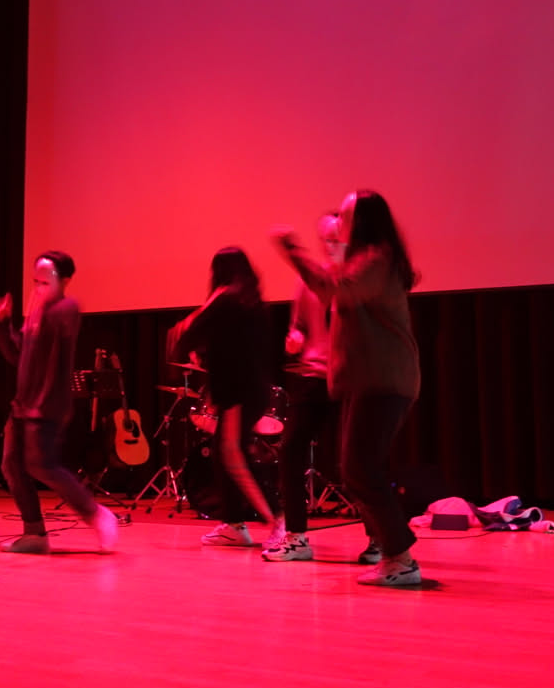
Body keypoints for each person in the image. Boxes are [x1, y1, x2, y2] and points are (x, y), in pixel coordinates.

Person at [272, 190, 423, 587]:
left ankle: (400, 557)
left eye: (346, 214)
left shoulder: (376, 258)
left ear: (361, 221)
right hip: (368, 381)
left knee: (361, 468)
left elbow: (333, 288)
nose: (339, 222)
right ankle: (395, 554)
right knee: (357, 469)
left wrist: (293, 249)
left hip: (383, 380)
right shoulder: (367, 260)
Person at [262, 213, 379, 564]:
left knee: (357, 460)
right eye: (325, 239)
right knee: (290, 450)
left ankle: (379, 539)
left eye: (336, 238)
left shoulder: (360, 278)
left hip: (350, 377)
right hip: (314, 376)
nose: (330, 245)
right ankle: (297, 536)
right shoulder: (308, 280)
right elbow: (298, 325)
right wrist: (295, 337)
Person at [0, 250, 119, 554]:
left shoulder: (65, 309)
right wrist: (2, 325)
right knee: (12, 465)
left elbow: (58, 339)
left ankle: (96, 513)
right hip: (22, 404)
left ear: (64, 280)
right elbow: (17, 355)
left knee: (42, 465)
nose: (38, 286)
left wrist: (39, 311)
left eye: (45, 280)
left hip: (46, 405)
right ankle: (34, 533)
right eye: (35, 281)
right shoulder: (37, 315)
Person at [167, 247, 279, 548]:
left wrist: (182, 333)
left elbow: (192, 330)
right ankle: (233, 524)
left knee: (234, 458)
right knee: (223, 453)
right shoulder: (251, 303)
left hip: (239, 393)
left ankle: (277, 521)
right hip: (249, 390)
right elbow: (226, 344)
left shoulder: (226, 297)